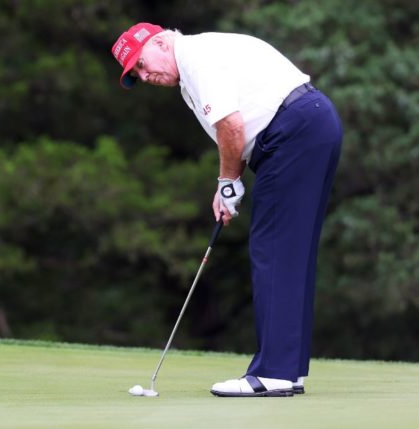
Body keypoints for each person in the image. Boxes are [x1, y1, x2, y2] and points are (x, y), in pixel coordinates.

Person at [111, 23, 343, 397]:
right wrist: (230, 183)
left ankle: (275, 373)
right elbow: (235, 132)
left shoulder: (195, 59)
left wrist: (227, 182)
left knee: (273, 250)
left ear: (159, 41)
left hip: (293, 132)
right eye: (136, 75)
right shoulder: (192, 68)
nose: (144, 75)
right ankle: (289, 370)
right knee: (290, 253)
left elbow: (231, 127)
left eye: (141, 63)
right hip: (309, 126)